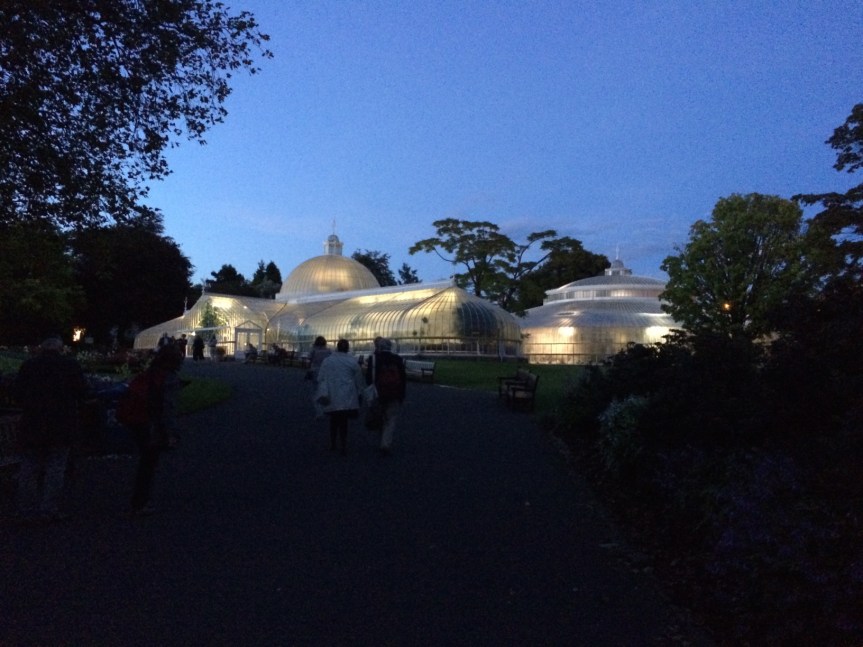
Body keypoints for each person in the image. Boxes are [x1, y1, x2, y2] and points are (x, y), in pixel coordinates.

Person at [12, 336, 88, 522]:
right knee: (56, 467)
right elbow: (82, 392)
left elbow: (17, 393)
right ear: (60, 349)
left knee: (29, 468)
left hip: (33, 422)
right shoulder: (70, 366)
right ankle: (49, 508)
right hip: (61, 423)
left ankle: (26, 510)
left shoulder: (29, 366)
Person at [129, 343, 183, 515]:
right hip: (154, 424)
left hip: (140, 421)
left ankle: (140, 500)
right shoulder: (169, 377)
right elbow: (168, 407)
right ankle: (140, 502)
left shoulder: (152, 372)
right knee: (148, 464)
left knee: (146, 462)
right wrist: (171, 433)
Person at [315, 339, 364, 455]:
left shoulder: (328, 361)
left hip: (332, 393)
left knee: (333, 420)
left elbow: (320, 377)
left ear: (337, 347)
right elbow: (359, 379)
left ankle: (333, 443)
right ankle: (343, 444)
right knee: (344, 421)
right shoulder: (352, 361)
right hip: (347, 395)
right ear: (347, 348)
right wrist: (360, 392)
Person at [366, 337, 407, 455]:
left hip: (378, 393)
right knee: (391, 419)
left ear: (379, 347)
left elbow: (369, 377)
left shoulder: (373, 359)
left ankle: (381, 439)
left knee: (379, 416)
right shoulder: (398, 359)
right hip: (394, 393)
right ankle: (385, 443)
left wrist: (371, 391)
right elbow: (403, 379)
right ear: (390, 347)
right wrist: (402, 394)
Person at [308, 336, 332, 418]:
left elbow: (309, 359)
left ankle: (319, 410)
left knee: (315, 390)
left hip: (315, 371)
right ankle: (326, 407)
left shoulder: (314, 350)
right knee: (325, 389)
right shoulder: (328, 351)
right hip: (326, 372)